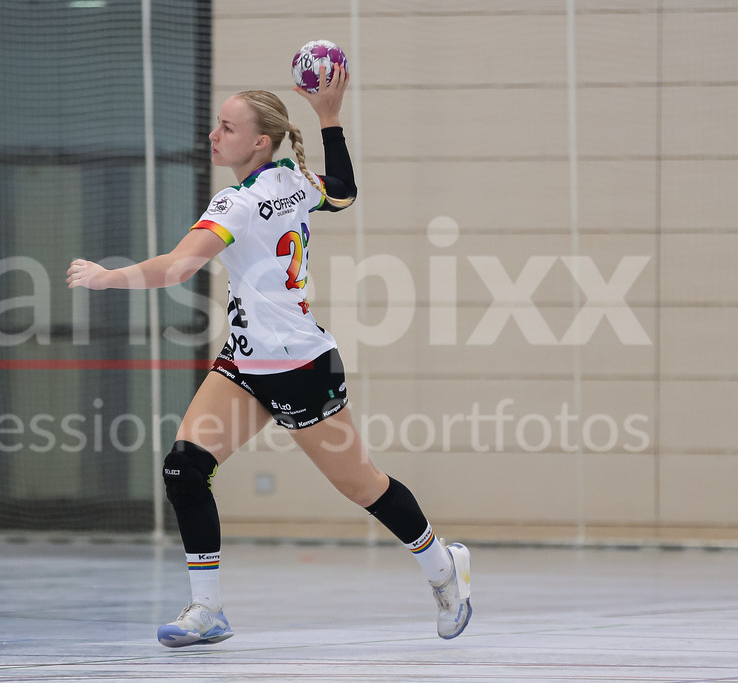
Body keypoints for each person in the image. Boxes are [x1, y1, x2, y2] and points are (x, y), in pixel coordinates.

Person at [67, 63, 471, 648]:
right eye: (216, 124)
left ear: (259, 140)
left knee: (362, 487)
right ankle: (207, 610)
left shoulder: (239, 202)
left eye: (227, 127)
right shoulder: (291, 178)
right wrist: (329, 119)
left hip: (302, 367)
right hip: (245, 364)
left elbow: (180, 267)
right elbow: (345, 192)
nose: (214, 134)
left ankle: (443, 566)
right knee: (185, 469)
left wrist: (109, 279)